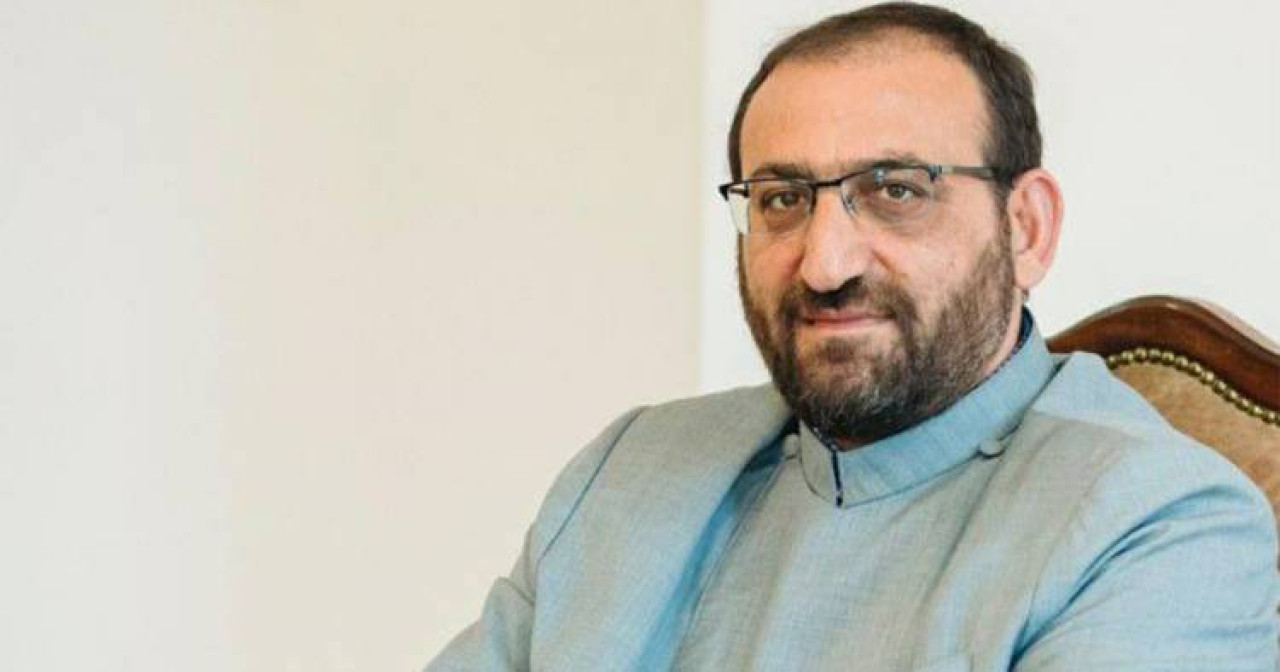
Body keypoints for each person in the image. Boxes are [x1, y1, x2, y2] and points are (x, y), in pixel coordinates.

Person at [428, 3, 1279, 670]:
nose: (824, 263)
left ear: (1025, 228)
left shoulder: (1163, 529)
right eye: (782, 200)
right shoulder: (630, 470)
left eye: (896, 190)